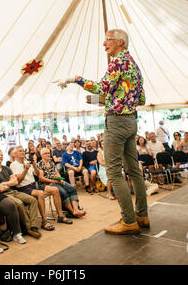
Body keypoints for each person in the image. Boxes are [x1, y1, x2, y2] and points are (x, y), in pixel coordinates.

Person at [57, 28, 149, 235]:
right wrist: (117, 99)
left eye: (108, 40)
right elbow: (141, 99)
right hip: (131, 120)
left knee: (114, 172)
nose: (104, 43)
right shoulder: (134, 64)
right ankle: (142, 215)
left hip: (116, 123)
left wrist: (75, 79)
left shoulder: (117, 62)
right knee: (134, 170)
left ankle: (129, 221)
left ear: (120, 42)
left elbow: (101, 87)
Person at [10, 146, 72, 231]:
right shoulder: (13, 165)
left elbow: (37, 174)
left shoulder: (26, 162)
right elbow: (18, 181)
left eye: (23, 151)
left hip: (34, 185)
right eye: (20, 151)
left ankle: (60, 216)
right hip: (23, 188)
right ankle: (44, 221)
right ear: (15, 154)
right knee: (40, 193)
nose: (22, 152)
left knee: (55, 190)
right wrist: (26, 169)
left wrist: (35, 166)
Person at [0, 150, 42, 239]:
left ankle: (34, 226)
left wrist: (4, 184)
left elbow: (15, 181)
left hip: (14, 191)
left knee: (32, 200)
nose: (0, 156)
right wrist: (8, 183)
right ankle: (28, 227)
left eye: (2, 155)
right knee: (19, 203)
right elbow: (0, 188)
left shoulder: (6, 168)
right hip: (4, 195)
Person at [38, 148, 86, 218]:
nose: (48, 154)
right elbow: (41, 178)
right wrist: (54, 181)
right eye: (45, 153)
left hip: (57, 181)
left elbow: (57, 173)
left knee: (72, 188)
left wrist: (60, 179)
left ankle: (76, 209)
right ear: (41, 155)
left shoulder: (51, 162)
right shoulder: (40, 164)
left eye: (48, 153)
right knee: (63, 192)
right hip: (48, 183)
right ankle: (72, 212)